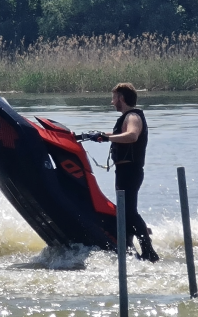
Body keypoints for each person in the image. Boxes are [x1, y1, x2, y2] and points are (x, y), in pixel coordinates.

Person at [86, 83, 159, 262]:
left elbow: (132, 135)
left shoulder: (133, 116)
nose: (112, 102)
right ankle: (131, 245)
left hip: (130, 171)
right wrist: (98, 135)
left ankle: (149, 251)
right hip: (123, 171)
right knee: (126, 212)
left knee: (129, 212)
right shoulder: (126, 117)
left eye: (114, 98)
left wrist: (107, 137)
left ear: (122, 98)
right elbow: (120, 134)